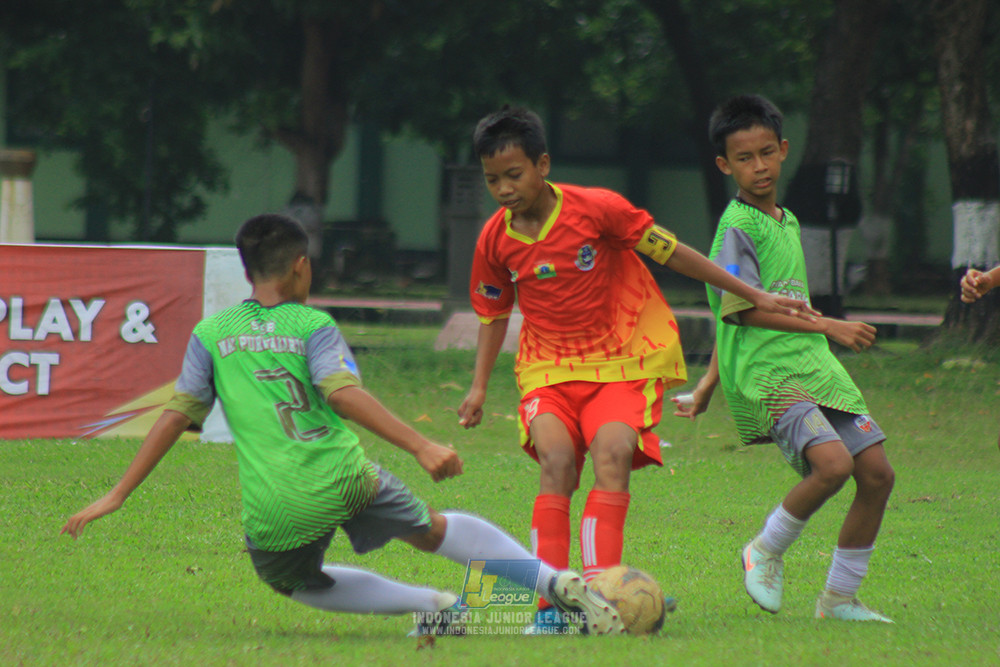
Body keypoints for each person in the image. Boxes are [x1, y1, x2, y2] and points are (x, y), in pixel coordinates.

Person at [61, 213, 621, 637]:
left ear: (248, 269)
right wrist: (420, 443)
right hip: (347, 474)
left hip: (277, 500)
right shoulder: (313, 324)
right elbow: (344, 393)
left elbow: (175, 415)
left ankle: (436, 607)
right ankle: (551, 582)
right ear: (301, 265)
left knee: (295, 581)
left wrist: (117, 493)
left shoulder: (213, 332)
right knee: (431, 530)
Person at [457, 105, 818, 634]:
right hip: (548, 372)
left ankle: (605, 595)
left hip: (619, 363)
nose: (505, 189)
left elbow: (672, 253)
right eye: (493, 180)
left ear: (543, 165)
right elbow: (492, 315)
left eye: (514, 175)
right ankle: (551, 607)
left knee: (613, 453)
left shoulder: (598, 209)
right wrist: (479, 387)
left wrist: (750, 291)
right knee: (556, 461)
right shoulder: (495, 239)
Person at [674, 94, 895, 622]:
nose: (759, 167)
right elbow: (743, 313)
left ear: (783, 150)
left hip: (815, 366)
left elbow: (741, 310)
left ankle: (839, 597)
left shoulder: (786, 220)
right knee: (833, 465)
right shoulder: (737, 228)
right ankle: (764, 550)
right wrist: (830, 323)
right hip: (772, 376)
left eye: (767, 153)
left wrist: (706, 384)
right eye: (744, 159)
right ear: (724, 165)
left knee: (877, 474)